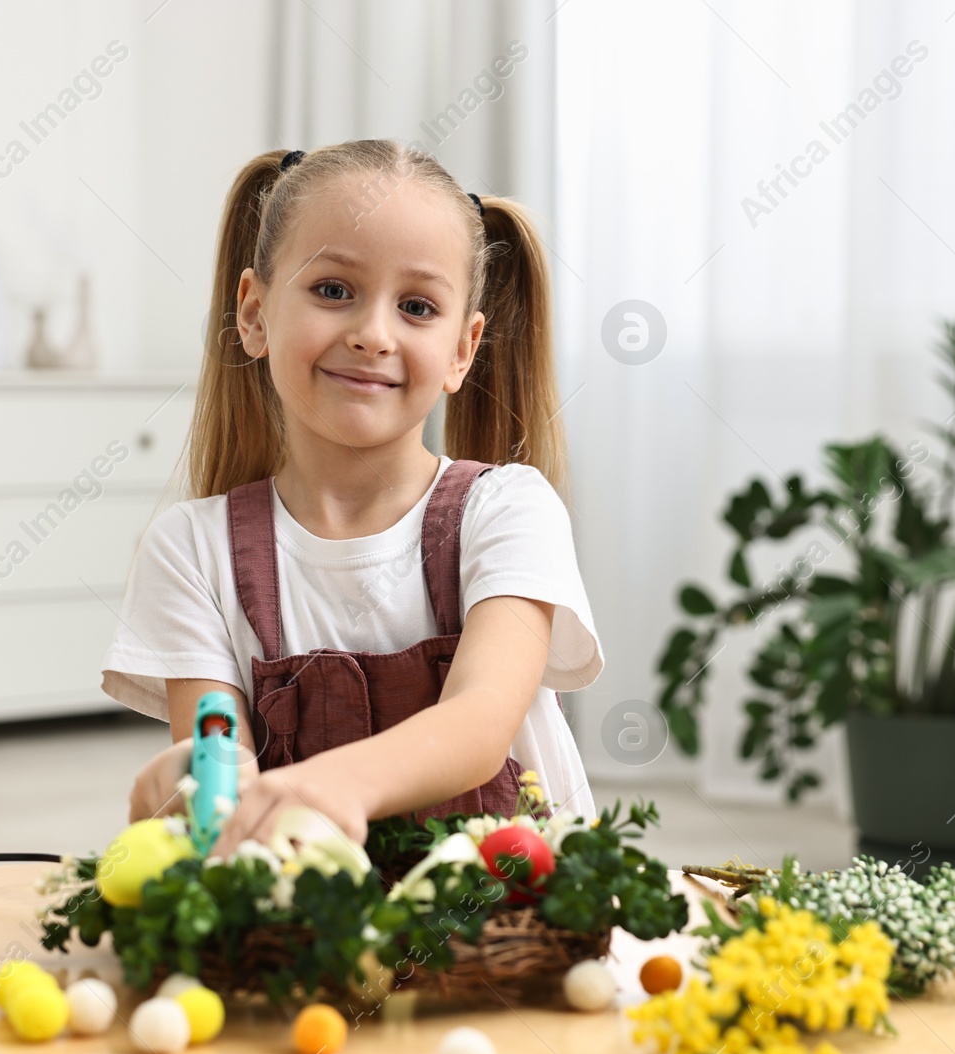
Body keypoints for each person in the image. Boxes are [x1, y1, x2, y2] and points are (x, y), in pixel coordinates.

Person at [100, 139, 603, 859]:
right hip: (307, 932)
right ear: (254, 313)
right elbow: (220, 768)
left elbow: (479, 721)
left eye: (418, 306)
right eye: (334, 290)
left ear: (463, 350)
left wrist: (322, 786)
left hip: (511, 926)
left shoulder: (509, 510)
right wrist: (194, 796)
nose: (373, 335)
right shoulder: (191, 548)